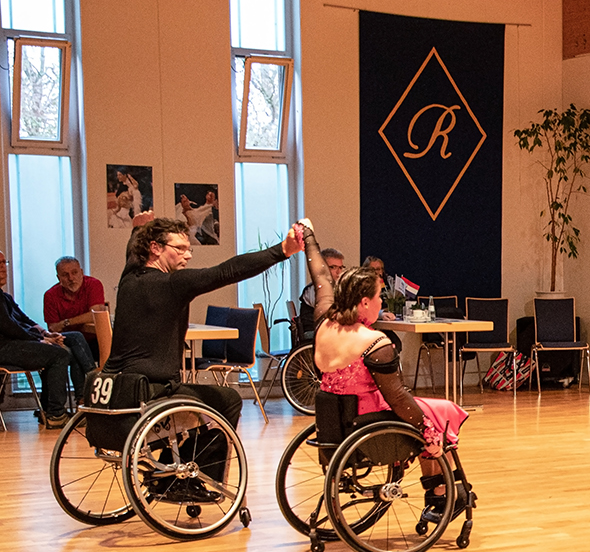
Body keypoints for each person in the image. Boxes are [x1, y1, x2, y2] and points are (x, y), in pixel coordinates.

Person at [301, 226, 467, 516]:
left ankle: (439, 490)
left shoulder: (324, 323)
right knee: (440, 413)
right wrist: (428, 432)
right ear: (365, 302)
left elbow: (321, 279)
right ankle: (441, 491)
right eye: (379, 297)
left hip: (338, 417)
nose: (381, 302)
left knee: (430, 410)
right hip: (370, 420)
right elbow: (398, 399)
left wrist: (308, 238)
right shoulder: (374, 341)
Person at [105, 217, 303, 427]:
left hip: (117, 389)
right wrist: (282, 250)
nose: (188, 255)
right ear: (155, 248)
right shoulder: (172, 284)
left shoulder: (128, 277)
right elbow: (226, 272)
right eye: (180, 249)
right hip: (152, 391)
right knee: (230, 400)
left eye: (188, 249)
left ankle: (189, 446)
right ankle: (206, 450)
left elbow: (133, 253)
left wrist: (138, 228)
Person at [0, 248, 94, 427]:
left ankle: (80, 396)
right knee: (59, 354)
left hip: (1, 345)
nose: (2, 267)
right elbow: (7, 326)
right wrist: (39, 340)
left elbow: (22, 319)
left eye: (3, 262)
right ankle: (55, 414)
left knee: (73, 337)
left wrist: (44, 334)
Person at [43, 256, 107, 361]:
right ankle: (91, 371)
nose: (71, 278)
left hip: (93, 338)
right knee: (74, 345)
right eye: (65, 275)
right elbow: (53, 328)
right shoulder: (50, 295)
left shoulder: (93, 284)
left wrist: (66, 322)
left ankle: (90, 371)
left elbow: (94, 315)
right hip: (66, 340)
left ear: (81, 272)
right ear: (59, 278)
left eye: (74, 273)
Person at [298, 247, 345, 337]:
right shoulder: (314, 289)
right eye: (333, 267)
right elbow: (329, 313)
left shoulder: (335, 287)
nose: (338, 272)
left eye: (340, 267)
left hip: (327, 330)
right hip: (313, 332)